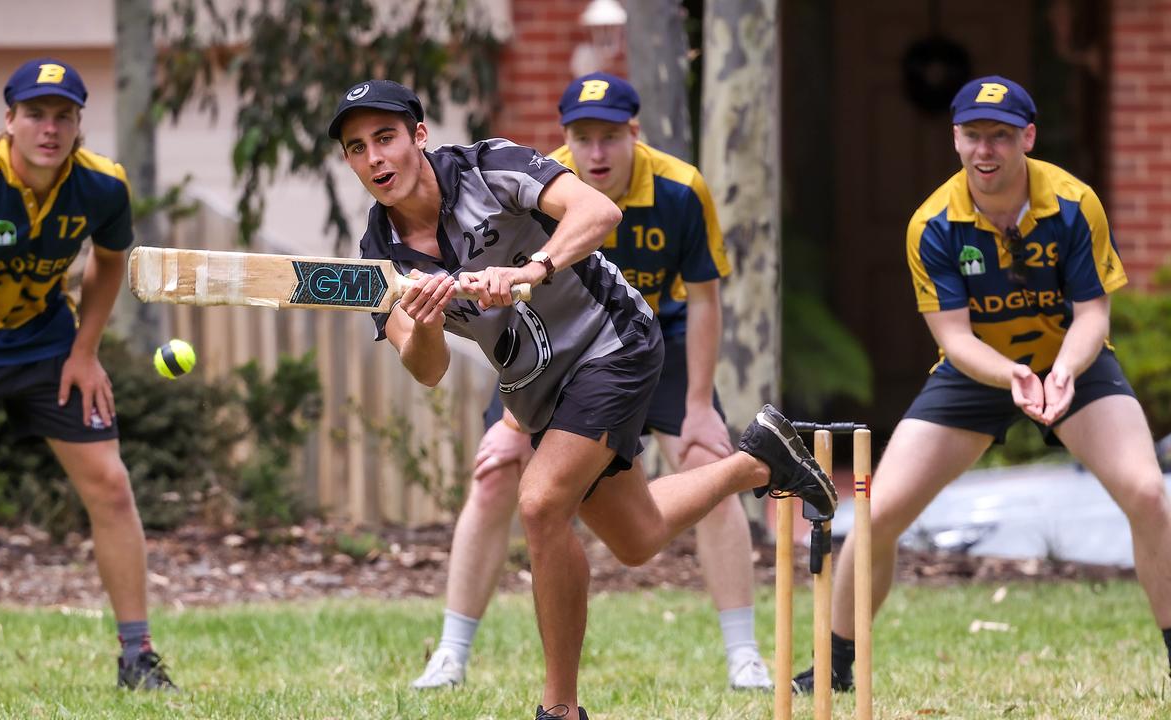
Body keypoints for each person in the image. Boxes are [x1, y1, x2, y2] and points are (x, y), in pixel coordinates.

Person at [330, 79, 836, 720]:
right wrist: (426, 319)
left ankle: (560, 709)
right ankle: (760, 460)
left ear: (418, 136)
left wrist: (528, 270)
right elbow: (424, 370)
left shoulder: (490, 167)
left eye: (386, 138)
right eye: (357, 149)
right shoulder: (380, 258)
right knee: (638, 537)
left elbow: (599, 213)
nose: (375, 159)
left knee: (540, 503)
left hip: (611, 340)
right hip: (541, 391)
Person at [793, 75, 1171, 692]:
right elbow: (955, 339)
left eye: (999, 135)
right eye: (972, 135)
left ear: (1027, 136)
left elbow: (1093, 315)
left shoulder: (1075, 204)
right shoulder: (934, 224)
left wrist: (1064, 372)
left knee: (1149, 497)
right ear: (955, 139)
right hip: (977, 372)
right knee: (877, 512)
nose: (985, 151)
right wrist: (1014, 375)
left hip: (1075, 363)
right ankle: (834, 665)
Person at [410, 72, 770, 692]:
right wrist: (517, 424)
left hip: (648, 338)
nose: (596, 152)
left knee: (694, 449)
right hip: (548, 350)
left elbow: (707, 298)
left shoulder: (681, 189)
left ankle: (744, 655)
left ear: (634, 134)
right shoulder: (544, 176)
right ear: (566, 138)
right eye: (583, 137)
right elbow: (506, 316)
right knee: (515, 478)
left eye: (610, 137)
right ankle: (449, 653)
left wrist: (699, 404)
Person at [0, 58, 176, 691]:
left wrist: (84, 350)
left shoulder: (103, 186)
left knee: (109, 484)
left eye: (63, 116)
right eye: (36, 114)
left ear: (78, 124)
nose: (49, 128)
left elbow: (109, 260)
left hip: (49, 345)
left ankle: (138, 659)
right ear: (9, 121)